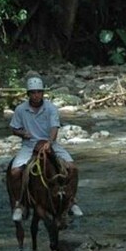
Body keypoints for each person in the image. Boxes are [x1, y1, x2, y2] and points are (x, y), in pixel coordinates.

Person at [8, 76, 83, 222]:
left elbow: (54, 127)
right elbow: (14, 128)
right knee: (15, 172)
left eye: (39, 92)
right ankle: (19, 204)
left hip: (51, 144)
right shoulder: (21, 109)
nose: (36, 95)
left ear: (43, 93)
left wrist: (50, 141)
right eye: (33, 92)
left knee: (73, 168)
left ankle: (72, 201)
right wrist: (22, 133)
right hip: (29, 146)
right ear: (28, 94)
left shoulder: (50, 108)